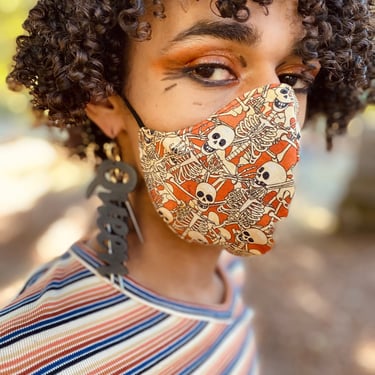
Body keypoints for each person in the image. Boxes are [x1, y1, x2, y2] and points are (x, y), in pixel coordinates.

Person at [0, 0, 373, 374]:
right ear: (104, 101)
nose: (274, 116)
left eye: (292, 80)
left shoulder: (228, 270)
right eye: (210, 69)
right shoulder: (36, 353)